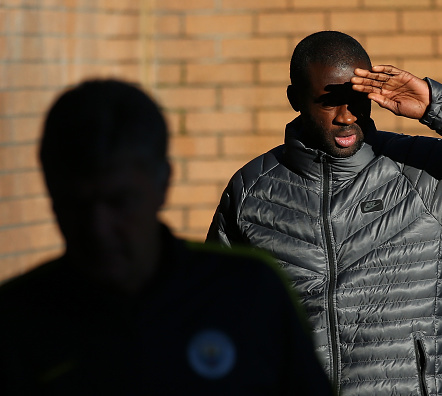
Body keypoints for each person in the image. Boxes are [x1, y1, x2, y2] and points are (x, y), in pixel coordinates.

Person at [207, 31, 442, 396]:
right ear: (295, 99)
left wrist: (438, 107)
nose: (347, 117)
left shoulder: (422, 173)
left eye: (357, 99)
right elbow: (214, 314)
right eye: (328, 103)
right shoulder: (252, 190)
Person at [0, 79, 333, 396]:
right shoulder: (17, 321)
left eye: (120, 202)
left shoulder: (248, 292)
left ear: (162, 184)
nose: (98, 228)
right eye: (76, 204)